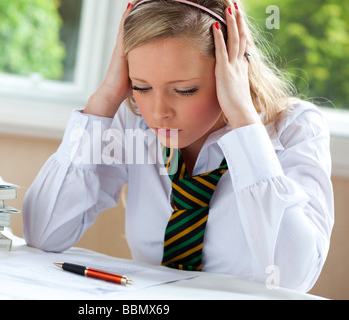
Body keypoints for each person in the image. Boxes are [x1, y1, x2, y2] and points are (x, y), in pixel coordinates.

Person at [23, 0, 333, 292]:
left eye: (184, 90)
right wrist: (104, 99)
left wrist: (244, 123)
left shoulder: (294, 128)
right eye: (141, 87)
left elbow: (293, 278)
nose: (159, 112)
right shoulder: (133, 122)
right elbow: (43, 233)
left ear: (234, 71)